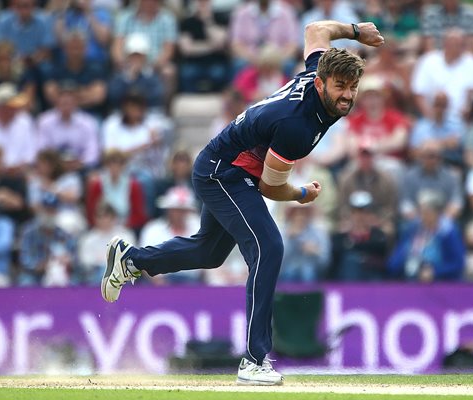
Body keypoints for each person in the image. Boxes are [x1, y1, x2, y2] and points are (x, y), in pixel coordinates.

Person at [101, 20, 384, 385]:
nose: (347, 95)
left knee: (208, 253)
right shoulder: (296, 126)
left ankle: (131, 260)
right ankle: (253, 360)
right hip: (223, 172)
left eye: (352, 87)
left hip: (228, 167)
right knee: (268, 247)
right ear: (320, 83)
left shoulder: (319, 69)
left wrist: (357, 31)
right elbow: (270, 186)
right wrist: (302, 194)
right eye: (340, 86)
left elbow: (316, 29)